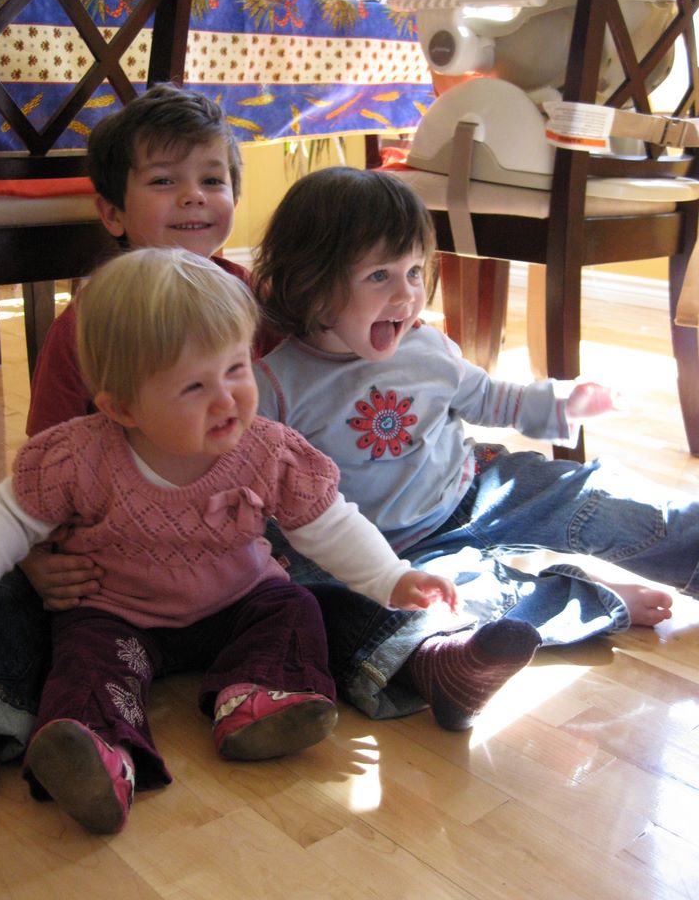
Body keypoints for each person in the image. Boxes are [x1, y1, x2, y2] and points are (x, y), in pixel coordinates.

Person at [0, 247, 464, 835]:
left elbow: (329, 523)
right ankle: (98, 753)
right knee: (83, 658)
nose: (227, 398)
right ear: (121, 406)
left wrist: (392, 575)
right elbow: (12, 513)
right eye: (193, 386)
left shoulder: (267, 450)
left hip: (239, 603)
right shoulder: (79, 455)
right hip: (117, 615)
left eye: (236, 369)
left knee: (295, 607)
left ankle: (259, 702)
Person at [251, 166, 689, 722]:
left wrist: (563, 403)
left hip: (475, 491)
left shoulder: (428, 347)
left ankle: (690, 535)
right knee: (444, 605)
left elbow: (492, 399)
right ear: (310, 283)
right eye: (380, 275)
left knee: (595, 497)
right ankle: (591, 604)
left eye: (414, 271)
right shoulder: (274, 387)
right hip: (385, 560)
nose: (407, 294)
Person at [0, 84, 264, 812]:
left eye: (212, 179)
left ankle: (282, 688)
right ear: (112, 213)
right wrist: (36, 558)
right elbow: (40, 470)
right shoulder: (85, 328)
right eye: (165, 180)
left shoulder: (252, 302)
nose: (194, 196)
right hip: (106, 566)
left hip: (226, 556)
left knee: (320, 579)